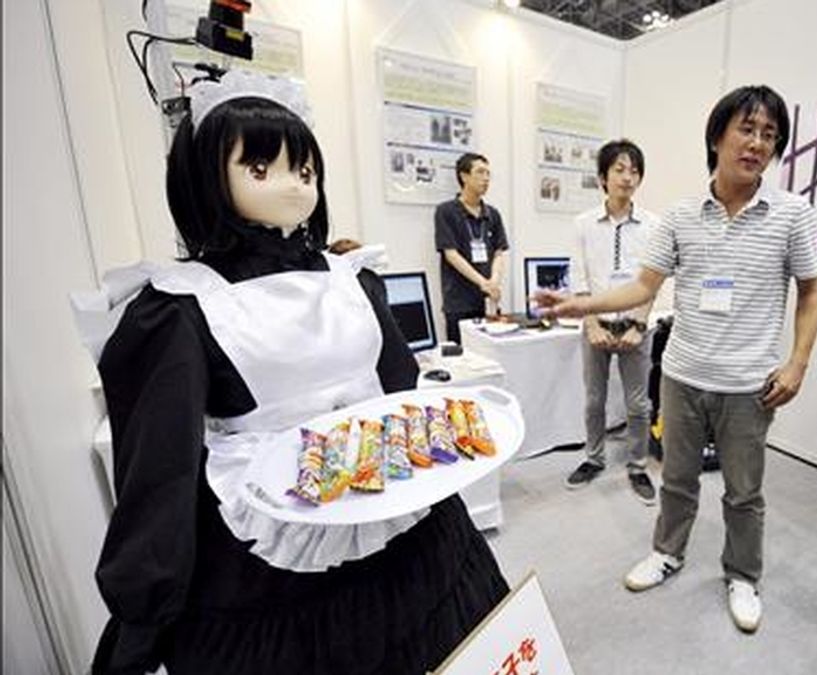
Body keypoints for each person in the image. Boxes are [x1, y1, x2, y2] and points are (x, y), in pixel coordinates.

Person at [91, 73, 508, 674]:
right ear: (207, 177)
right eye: (261, 169)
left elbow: (401, 391)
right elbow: (160, 469)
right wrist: (142, 611)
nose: (291, 185)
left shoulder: (352, 277)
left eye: (305, 171)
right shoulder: (180, 307)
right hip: (273, 545)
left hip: (396, 507)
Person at [536, 85, 817, 634]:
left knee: (744, 492)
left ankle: (742, 574)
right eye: (746, 129)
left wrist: (798, 364)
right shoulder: (680, 216)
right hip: (684, 376)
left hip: (748, 386)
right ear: (717, 136)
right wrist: (582, 304)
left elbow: (810, 293)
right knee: (677, 481)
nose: (757, 143)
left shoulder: (792, 214)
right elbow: (644, 284)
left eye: (769, 134)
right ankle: (667, 552)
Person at [564, 139, 662, 505]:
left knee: (638, 405)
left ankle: (637, 466)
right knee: (594, 400)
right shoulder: (583, 224)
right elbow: (579, 278)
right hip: (596, 323)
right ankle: (593, 458)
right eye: (619, 169)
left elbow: (654, 279)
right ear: (603, 177)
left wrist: (638, 324)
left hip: (636, 326)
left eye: (634, 170)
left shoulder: (654, 225)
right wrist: (591, 323)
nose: (627, 177)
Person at [435, 152, 509, 344]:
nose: (486, 178)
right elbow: (451, 254)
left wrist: (493, 281)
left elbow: (499, 253)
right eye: (480, 172)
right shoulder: (446, 212)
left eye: (488, 174)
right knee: (461, 361)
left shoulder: (493, 214)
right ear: (464, 176)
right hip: (459, 303)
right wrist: (482, 282)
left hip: (487, 303)